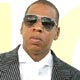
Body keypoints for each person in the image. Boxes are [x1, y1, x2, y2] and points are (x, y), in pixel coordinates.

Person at [0, 0, 80, 80]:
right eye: (31, 20)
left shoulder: (75, 76)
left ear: (57, 33)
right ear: (21, 27)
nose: (38, 27)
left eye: (47, 23)